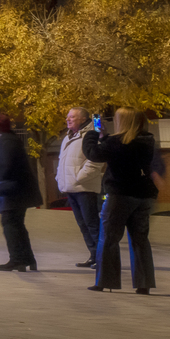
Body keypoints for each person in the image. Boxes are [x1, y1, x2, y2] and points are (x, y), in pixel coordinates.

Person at [85, 108, 160, 294]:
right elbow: (118, 149)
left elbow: (94, 153)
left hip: (119, 194)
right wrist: (105, 137)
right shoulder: (147, 141)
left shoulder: (116, 142)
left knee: (108, 239)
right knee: (140, 240)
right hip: (143, 195)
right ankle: (144, 284)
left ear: (123, 122)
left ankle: (104, 281)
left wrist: (93, 133)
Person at [0, 114, 40, 272]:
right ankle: (28, 259)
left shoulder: (5, 141)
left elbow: (5, 165)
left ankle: (17, 260)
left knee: (9, 224)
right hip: (17, 189)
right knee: (17, 225)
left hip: (12, 190)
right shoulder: (8, 140)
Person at [53, 108, 104, 268]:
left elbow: (96, 159)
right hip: (71, 187)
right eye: (67, 116)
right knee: (83, 224)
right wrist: (59, 178)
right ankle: (94, 255)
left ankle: (102, 258)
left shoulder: (93, 134)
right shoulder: (69, 136)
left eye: (72, 117)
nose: (67, 119)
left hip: (84, 187)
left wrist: (80, 177)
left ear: (83, 119)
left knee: (92, 224)